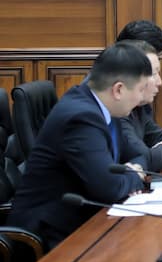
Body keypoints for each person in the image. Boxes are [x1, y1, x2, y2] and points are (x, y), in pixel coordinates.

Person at [8, 42, 152, 249]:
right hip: (48, 236)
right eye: (140, 89)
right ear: (118, 89)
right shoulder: (81, 117)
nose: (141, 98)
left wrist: (130, 173)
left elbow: (137, 155)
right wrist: (135, 175)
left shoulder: (102, 107)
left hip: (83, 221)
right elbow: (109, 188)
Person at [116, 20, 162, 171]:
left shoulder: (139, 102)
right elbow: (142, 158)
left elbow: (161, 138)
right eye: (153, 72)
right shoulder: (112, 104)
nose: (159, 81)